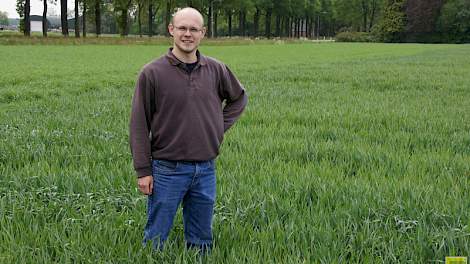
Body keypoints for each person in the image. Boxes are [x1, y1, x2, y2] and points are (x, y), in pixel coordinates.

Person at [129, 7, 247, 251]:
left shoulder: (216, 69)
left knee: (201, 240)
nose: (187, 34)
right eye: (182, 28)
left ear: (203, 33)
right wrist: (143, 170)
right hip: (166, 169)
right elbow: (139, 123)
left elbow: (239, 98)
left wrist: (218, 126)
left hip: (205, 169)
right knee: (156, 238)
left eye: (194, 29)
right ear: (171, 30)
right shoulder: (152, 73)